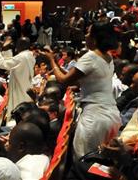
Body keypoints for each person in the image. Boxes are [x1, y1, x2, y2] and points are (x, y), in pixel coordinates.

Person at [43, 22, 121, 157]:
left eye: (88, 33)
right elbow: (78, 79)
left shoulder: (90, 56)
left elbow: (63, 80)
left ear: (95, 38)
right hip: (111, 114)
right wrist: (56, 61)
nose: (85, 35)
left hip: (95, 117)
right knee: (101, 163)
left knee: (84, 160)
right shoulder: (108, 57)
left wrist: (51, 61)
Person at [0, 36, 35, 116]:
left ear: (21, 45)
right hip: (24, 83)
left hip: (20, 86)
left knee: (18, 107)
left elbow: (2, 63)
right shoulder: (29, 55)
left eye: (18, 44)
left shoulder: (22, 56)